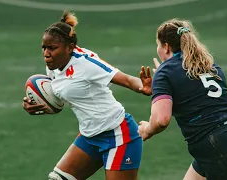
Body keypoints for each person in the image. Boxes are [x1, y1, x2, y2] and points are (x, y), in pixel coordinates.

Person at [22, 11, 152, 180]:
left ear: (70, 47)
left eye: (52, 48)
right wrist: (37, 105)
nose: (46, 53)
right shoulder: (53, 65)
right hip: (89, 136)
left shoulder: (86, 64)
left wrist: (143, 86)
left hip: (118, 135)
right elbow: (61, 97)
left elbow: (127, 80)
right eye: (44, 48)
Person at [138, 18, 227, 180]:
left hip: (215, 147)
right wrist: (162, 87)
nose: (157, 49)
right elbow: (193, 95)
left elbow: (161, 120)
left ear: (165, 47)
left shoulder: (165, 72)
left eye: (158, 44)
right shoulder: (210, 67)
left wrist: (147, 130)